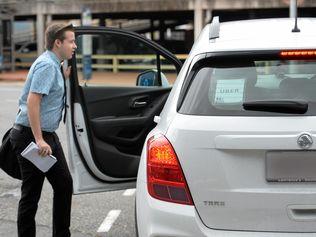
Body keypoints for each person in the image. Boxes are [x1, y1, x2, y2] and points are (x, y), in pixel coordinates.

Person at [9, 23, 77, 237]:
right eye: (71, 41)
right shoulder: (48, 65)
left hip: (46, 135)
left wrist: (63, 77)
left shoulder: (54, 64)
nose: (75, 45)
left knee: (64, 185)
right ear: (58, 42)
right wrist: (39, 140)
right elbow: (33, 101)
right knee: (32, 194)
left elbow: (46, 92)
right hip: (33, 137)